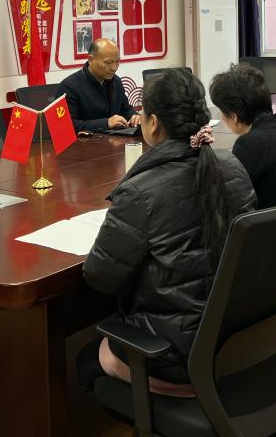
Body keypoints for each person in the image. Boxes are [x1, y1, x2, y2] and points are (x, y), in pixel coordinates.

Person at [79, 68, 257, 394]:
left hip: (177, 353)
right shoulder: (231, 165)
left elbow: (99, 277)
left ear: (153, 123)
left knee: (86, 359)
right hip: (237, 336)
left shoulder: (140, 192)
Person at [209, 63, 276, 209]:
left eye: (222, 112)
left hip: (275, 222)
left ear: (234, 116)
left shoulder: (249, 143)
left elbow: (232, 198)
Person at [56, 38, 139, 132]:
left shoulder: (116, 81)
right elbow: (66, 126)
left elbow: (125, 109)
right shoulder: (69, 87)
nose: (114, 68)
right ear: (90, 59)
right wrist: (105, 123)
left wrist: (134, 116)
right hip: (86, 140)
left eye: (117, 61)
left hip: (116, 138)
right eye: (108, 62)